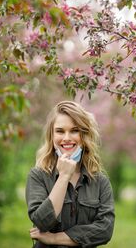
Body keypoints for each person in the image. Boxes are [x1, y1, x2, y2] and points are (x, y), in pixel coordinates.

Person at [25, 101, 115, 247]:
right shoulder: (38, 176)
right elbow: (41, 222)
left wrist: (54, 239)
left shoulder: (100, 181)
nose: (67, 138)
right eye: (60, 131)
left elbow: (105, 231)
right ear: (52, 136)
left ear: (84, 135)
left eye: (74, 130)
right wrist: (64, 176)